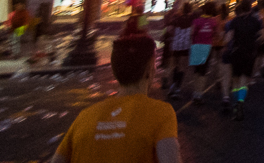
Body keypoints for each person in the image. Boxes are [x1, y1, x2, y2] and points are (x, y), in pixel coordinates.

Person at [52, 35, 181, 163]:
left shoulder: (84, 117)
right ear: (149, 69)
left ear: (115, 71)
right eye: (154, 64)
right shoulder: (160, 113)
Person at [225, 0, 264, 120]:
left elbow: (228, 38)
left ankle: (236, 104)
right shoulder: (256, 21)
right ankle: (241, 102)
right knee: (244, 81)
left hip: (237, 52)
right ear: (250, 8)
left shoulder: (235, 21)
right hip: (250, 53)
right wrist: (255, 42)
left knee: (235, 80)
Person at [189, 1, 219, 103]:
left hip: (196, 46)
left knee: (196, 70)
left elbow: (191, 34)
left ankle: (195, 92)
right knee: (203, 71)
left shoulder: (197, 21)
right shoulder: (214, 22)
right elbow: (216, 34)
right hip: (207, 47)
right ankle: (199, 94)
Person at [167, 3, 194, 100]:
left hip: (176, 45)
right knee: (182, 67)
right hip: (185, 46)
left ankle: (172, 85)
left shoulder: (176, 19)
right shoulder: (192, 20)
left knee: (175, 65)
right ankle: (178, 88)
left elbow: (170, 30)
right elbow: (193, 32)